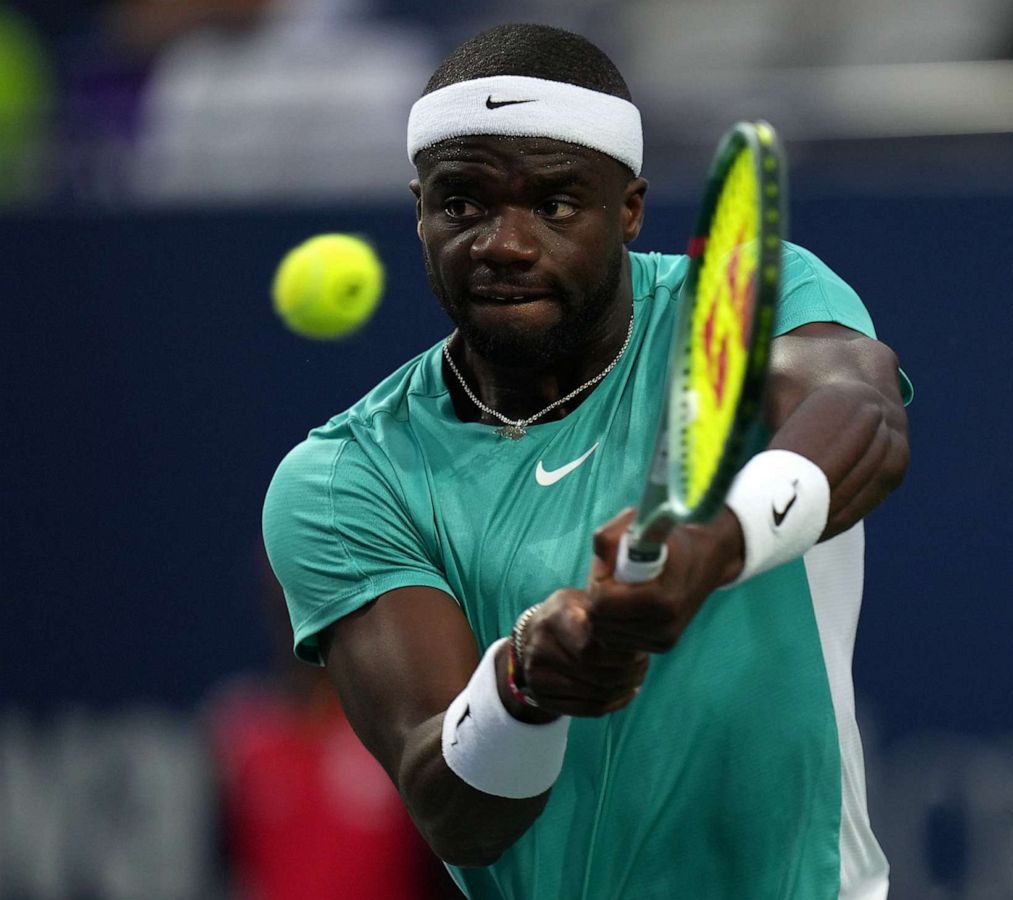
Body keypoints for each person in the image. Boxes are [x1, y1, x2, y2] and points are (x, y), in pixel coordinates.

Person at [261, 22, 911, 900]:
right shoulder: (345, 481)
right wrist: (526, 685)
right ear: (418, 209)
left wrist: (711, 543)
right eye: (462, 204)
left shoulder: (741, 298)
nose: (505, 243)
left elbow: (863, 420)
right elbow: (456, 816)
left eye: (556, 204)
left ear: (629, 209)